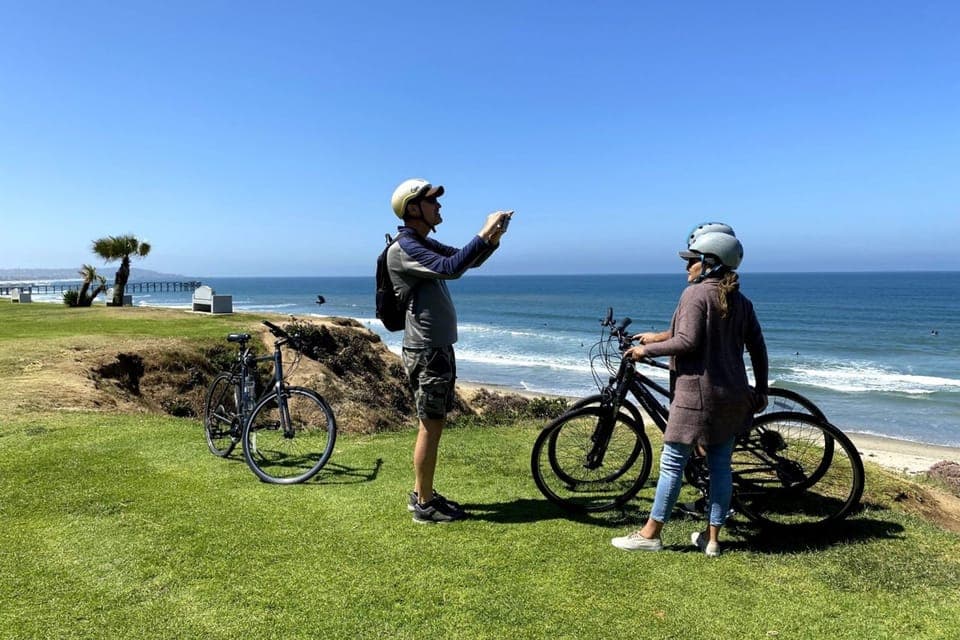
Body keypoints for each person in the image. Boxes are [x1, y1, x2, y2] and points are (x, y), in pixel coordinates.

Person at [611, 225, 768, 556]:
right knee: (721, 466)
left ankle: (650, 534)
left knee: (671, 465)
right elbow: (756, 347)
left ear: (709, 262)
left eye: (691, 261)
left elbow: (688, 341)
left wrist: (643, 352)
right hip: (732, 395)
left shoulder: (695, 294)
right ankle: (712, 541)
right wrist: (762, 389)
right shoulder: (741, 301)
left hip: (696, 396)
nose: (686, 267)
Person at [387, 178, 512, 524]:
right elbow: (452, 268)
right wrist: (483, 230)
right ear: (413, 208)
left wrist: (492, 240)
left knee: (434, 424)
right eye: (432, 202)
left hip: (436, 348)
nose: (439, 207)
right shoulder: (405, 248)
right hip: (427, 351)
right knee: (430, 425)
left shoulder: (420, 243)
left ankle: (423, 493)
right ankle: (423, 503)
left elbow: (463, 260)